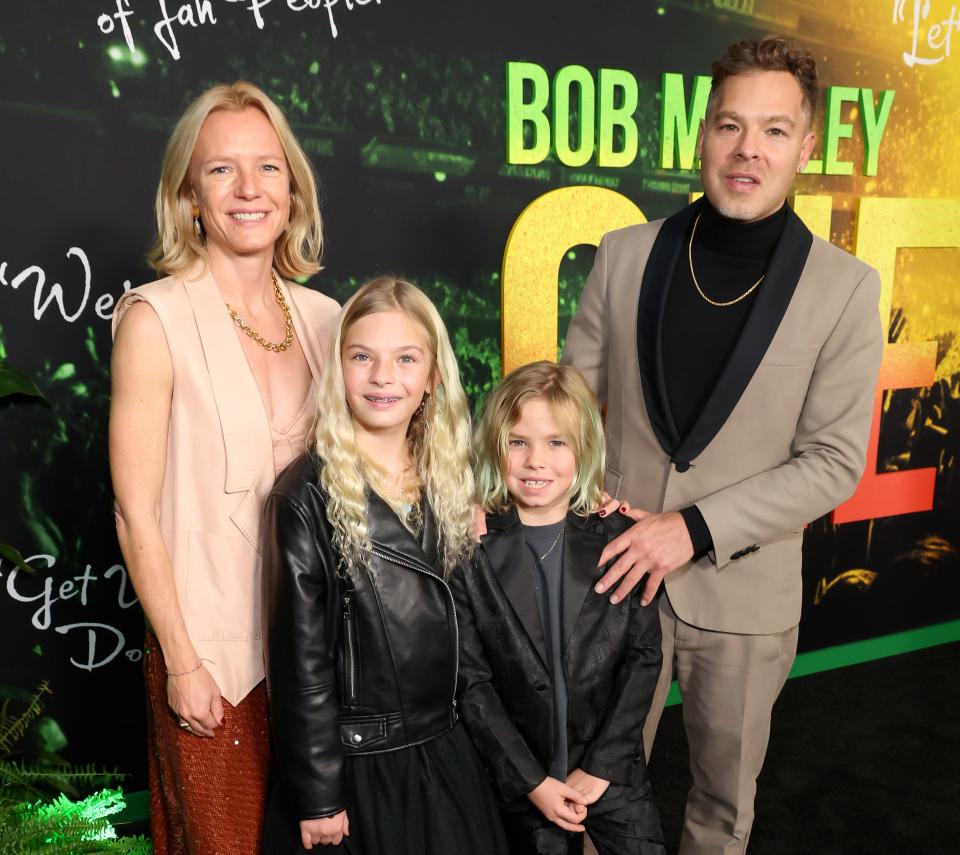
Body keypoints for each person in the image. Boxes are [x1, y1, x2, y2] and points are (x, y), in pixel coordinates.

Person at [562, 35, 884, 854]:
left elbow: (835, 462)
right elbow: (568, 406)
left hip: (743, 600)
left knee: (719, 812)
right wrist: (575, 480)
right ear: (702, 133)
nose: (749, 151)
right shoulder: (625, 255)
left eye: (775, 130)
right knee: (588, 801)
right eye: (731, 126)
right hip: (615, 579)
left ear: (806, 146)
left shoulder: (847, 289)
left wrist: (694, 528)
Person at [109, 81, 339, 854]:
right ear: (188, 197)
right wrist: (180, 660)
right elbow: (134, 510)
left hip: (326, 662)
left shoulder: (330, 321)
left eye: (268, 168)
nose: (249, 190)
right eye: (221, 171)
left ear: (292, 187)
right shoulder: (154, 318)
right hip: (212, 665)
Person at [259, 277, 508, 855]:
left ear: (432, 377)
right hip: (361, 765)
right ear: (338, 369)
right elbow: (302, 665)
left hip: (446, 753)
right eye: (362, 356)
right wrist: (320, 795)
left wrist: (599, 507)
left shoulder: (451, 480)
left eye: (405, 359)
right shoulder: (305, 496)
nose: (382, 377)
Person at [453, 361, 666, 855]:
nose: (535, 461)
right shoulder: (470, 549)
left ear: (584, 448)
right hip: (525, 779)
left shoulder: (621, 539)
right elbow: (471, 680)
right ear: (495, 446)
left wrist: (602, 765)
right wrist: (531, 781)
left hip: (610, 769)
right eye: (517, 441)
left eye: (556, 443)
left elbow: (644, 657)